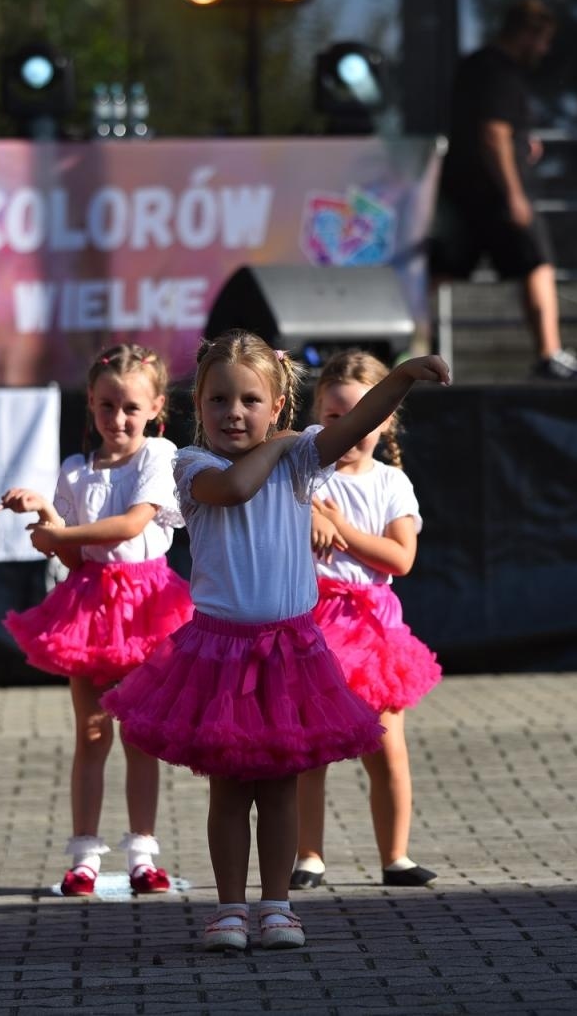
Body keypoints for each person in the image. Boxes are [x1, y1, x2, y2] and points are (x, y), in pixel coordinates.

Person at [102, 330, 451, 952]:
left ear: (278, 404)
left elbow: (355, 423)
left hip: (291, 651)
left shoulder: (301, 461)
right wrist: (292, 441)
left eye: (250, 401)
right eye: (218, 400)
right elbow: (236, 490)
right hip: (221, 651)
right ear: (197, 407)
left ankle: (278, 907)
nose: (234, 413)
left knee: (283, 786)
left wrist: (399, 379)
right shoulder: (192, 465)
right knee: (231, 788)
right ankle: (230, 909)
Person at [0, 343, 193, 897]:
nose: (118, 419)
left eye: (130, 407)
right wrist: (45, 514)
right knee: (91, 733)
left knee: (141, 737)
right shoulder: (76, 470)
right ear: (92, 406)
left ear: (155, 406)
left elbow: (132, 526)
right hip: (90, 607)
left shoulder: (158, 455)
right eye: (106, 407)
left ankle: (142, 854)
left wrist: (60, 533)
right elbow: (76, 557)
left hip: (149, 607)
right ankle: (83, 857)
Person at [292, 350, 443, 892]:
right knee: (311, 749)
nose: (349, 429)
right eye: (334, 418)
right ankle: (308, 855)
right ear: (317, 418)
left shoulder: (390, 484)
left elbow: (399, 559)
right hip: (312, 624)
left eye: (362, 417)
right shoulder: (304, 471)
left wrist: (342, 529)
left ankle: (395, 856)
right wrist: (308, 511)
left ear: (387, 418)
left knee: (386, 746)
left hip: (372, 628)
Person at [434, 0, 577, 380]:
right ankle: (549, 355)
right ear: (527, 34)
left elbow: (496, 129)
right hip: (495, 196)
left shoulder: (477, 66)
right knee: (537, 263)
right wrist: (514, 193)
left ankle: (406, 347)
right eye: (542, 40)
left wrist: (524, 143)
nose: (544, 50)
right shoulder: (497, 70)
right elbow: (494, 133)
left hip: (465, 191)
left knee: (442, 270)